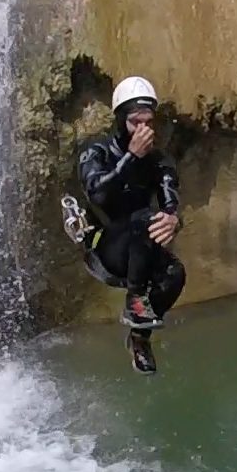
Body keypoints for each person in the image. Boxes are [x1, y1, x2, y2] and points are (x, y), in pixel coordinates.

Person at [75, 75, 186, 375]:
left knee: (175, 274)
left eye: (148, 122)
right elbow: (97, 191)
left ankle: (139, 337)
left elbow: (169, 198)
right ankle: (136, 299)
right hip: (106, 247)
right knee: (141, 218)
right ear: (120, 120)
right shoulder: (96, 151)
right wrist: (131, 158)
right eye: (135, 122)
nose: (143, 130)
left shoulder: (160, 160)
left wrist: (174, 220)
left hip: (141, 245)